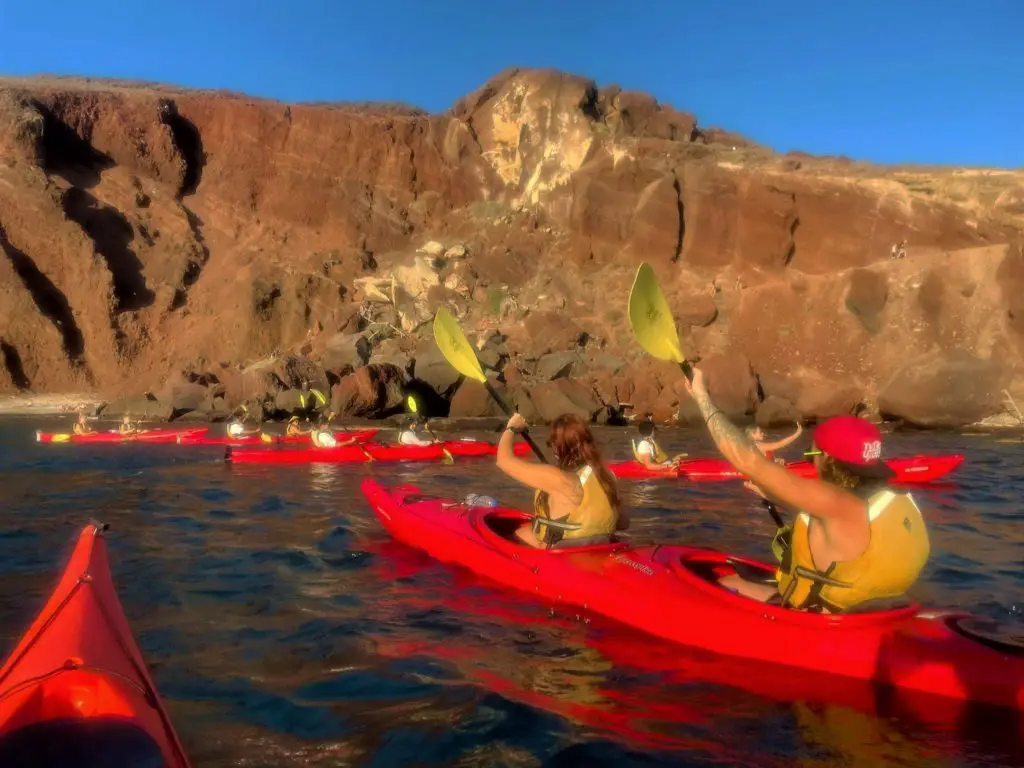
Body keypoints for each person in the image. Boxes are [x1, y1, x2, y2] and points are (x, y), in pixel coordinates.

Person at [682, 368, 930, 613]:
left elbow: (749, 461)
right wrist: (773, 495)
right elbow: (830, 521)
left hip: (821, 623)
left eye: (812, 454)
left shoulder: (835, 502)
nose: (811, 462)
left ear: (828, 459)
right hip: (864, 614)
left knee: (720, 585)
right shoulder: (876, 502)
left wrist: (702, 396)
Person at [496, 412, 626, 549]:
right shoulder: (606, 476)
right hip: (596, 548)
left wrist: (511, 428)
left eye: (551, 443)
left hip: (559, 553)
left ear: (558, 447)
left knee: (506, 534)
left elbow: (503, 460)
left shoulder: (558, 478)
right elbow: (623, 523)